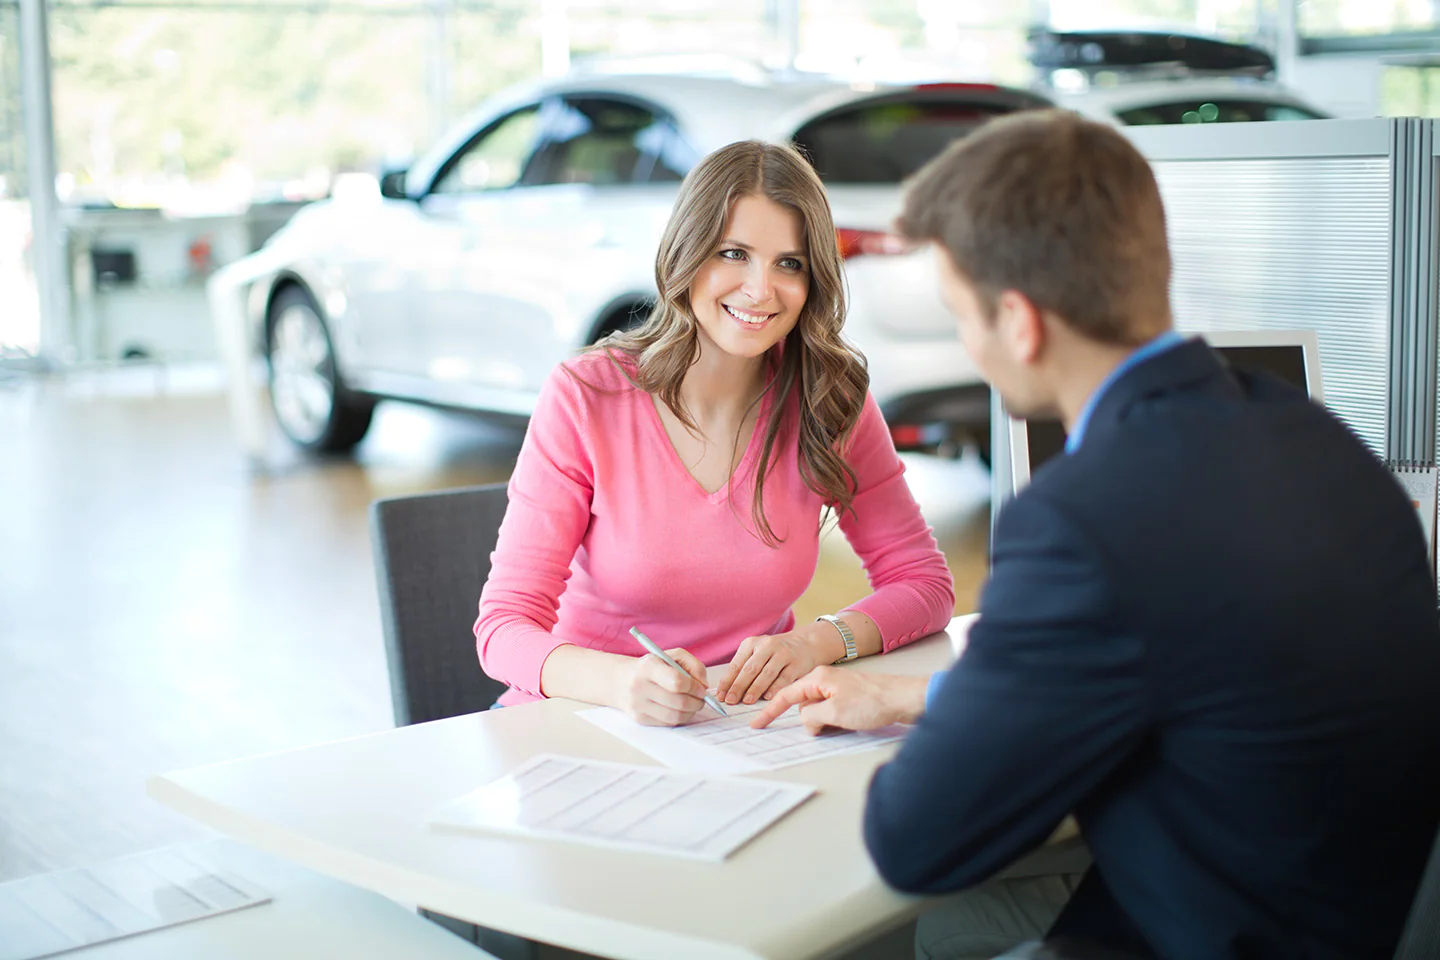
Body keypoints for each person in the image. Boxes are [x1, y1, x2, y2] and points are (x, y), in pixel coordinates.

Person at [755, 109, 1440, 959]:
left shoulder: (1084, 518)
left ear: (1020, 321)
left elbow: (918, 840)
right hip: (1344, 910)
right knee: (965, 929)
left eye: (960, 315)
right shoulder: (1312, 436)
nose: (966, 346)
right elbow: (1204, 677)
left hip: (1208, 933)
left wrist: (968, 720)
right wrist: (927, 699)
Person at [474, 139, 955, 725]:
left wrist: (815, 643)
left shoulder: (830, 400)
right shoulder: (586, 396)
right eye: (733, 253)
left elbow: (924, 583)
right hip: (579, 721)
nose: (760, 289)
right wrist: (623, 683)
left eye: (790, 263)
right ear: (687, 252)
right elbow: (503, 627)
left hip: (745, 728)